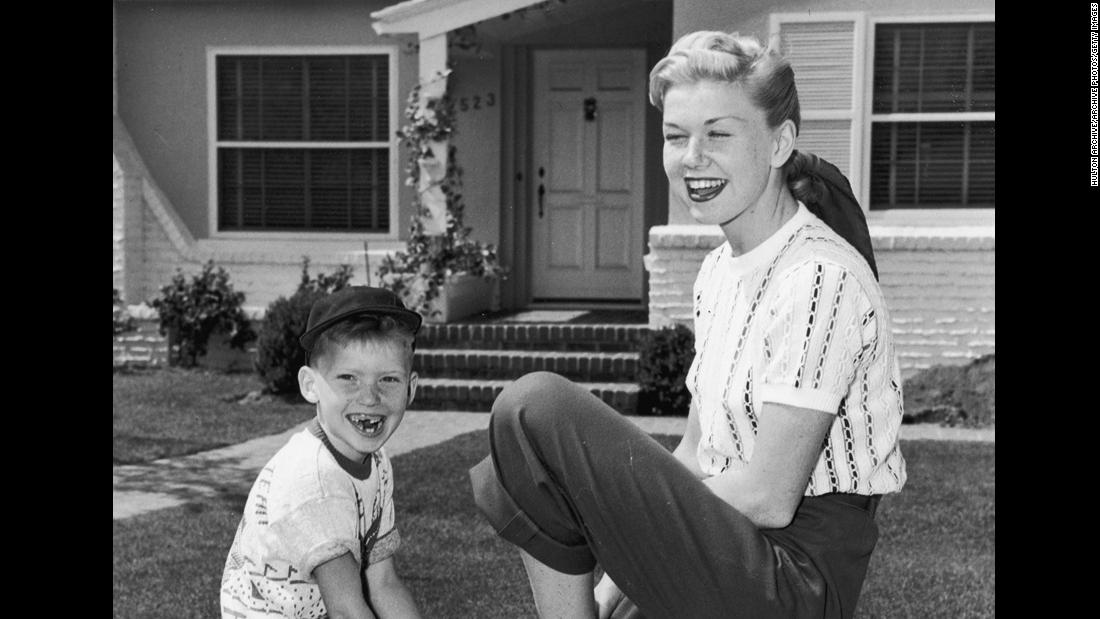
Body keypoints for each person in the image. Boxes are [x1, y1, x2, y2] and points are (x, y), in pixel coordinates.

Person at [469, 30, 906, 619]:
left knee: (533, 406)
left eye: (719, 134)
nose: (692, 157)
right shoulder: (719, 273)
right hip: (728, 544)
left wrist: (619, 522)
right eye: (676, 136)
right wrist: (608, 592)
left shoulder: (819, 275)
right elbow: (699, 452)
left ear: (780, 143)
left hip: (792, 580)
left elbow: (769, 497)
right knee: (521, 462)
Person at [220, 286, 424, 619]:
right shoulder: (312, 480)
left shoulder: (377, 462)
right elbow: (347, 610)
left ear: (411, 388)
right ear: (310, 385)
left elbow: (384, 582)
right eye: (348, 378)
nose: (370, 397)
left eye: (388, 379)